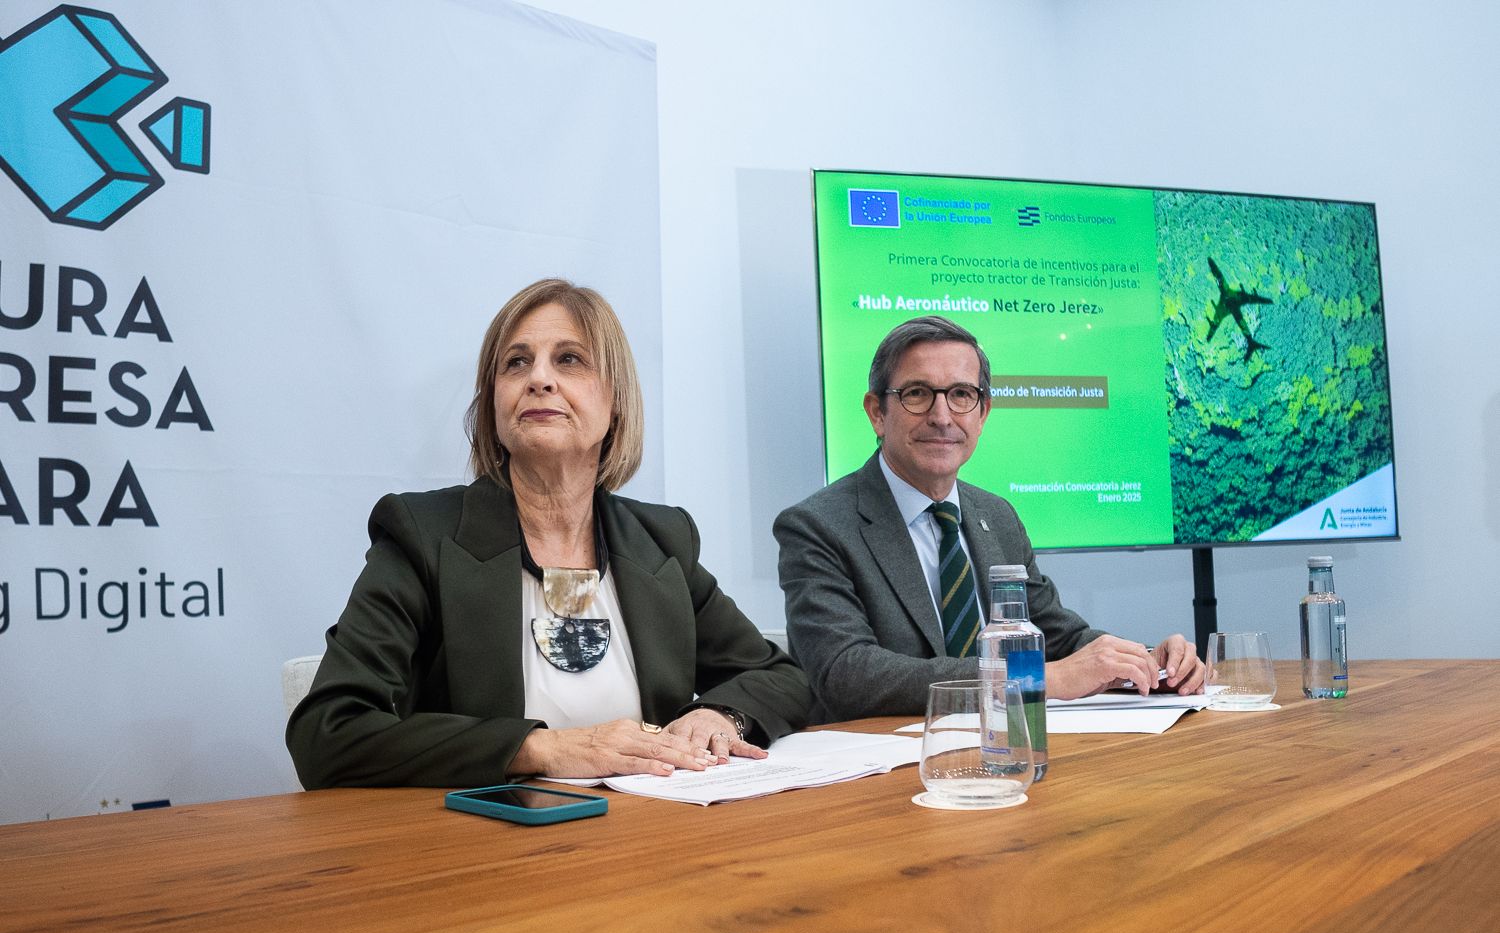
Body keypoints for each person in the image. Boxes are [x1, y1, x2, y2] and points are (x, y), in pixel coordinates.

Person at [288, 278, 811, 788]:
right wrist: (542, 750)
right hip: (484, 846)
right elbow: (330, 731)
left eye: (570, 359)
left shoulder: (660, 539)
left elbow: (780, 676)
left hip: (650, 836)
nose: (539, 378)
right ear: (493, 407)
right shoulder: (423, 536)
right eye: (516, 362)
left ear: (616, 402)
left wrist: (721, 716)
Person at [774, 315, 1204, 722]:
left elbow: (1059, 637)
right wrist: (1037, 677)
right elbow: (846, 673)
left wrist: (1148, 662)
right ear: (877, 412)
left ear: (982, 414)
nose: (942, 416)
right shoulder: (817, 526)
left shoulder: (996, 515)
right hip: (883, 770)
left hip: (1010, 743)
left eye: (961, 395)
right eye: (918, 393)